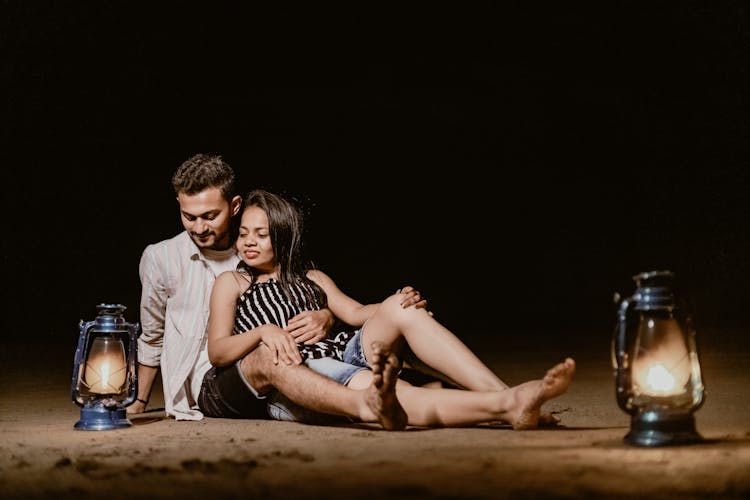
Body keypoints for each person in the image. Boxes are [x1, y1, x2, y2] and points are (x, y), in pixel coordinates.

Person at [205, 188, 576, 429]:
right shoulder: (234, 283)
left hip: (344, 351)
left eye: (261, 234)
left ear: (283, 236)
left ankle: (508, 395)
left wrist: (398, 301)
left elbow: (355, 314)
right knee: (385, 391)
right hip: (310, 368)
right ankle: (505, 404)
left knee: (400, 306)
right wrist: (264, 332)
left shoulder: (312, 277)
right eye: (244, 233)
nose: (249, 242)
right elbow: (218, 351)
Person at [129, 153, 424, 428]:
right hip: (216, 379)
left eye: (209, 216)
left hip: (288, 362)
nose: (199, 227)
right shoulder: (160, 258)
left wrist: (326, 315)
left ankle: (421, 394)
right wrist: (140, 400)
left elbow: (302, 292)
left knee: (395, 378)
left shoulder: (255, 249)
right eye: (189, 217)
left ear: (234, 207)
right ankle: (373, 402)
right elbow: (152, 334)